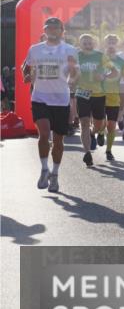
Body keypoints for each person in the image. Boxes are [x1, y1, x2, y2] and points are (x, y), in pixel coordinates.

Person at [22, 17, 78, 193]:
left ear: (62, 31)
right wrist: (27, 75)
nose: (52, 31)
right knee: (44, 134)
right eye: (49, 28)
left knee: (59, 140)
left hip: (61, 99)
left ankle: (54, 173)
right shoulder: (35, 49)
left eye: (55, 28)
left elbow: (76, 72)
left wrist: (72, 81)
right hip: (40, 98)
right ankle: (44, 169)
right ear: (44, 31)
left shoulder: (70, 50)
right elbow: (27, 66)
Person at [74, 33, 118, 167]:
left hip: (98, 94)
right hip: (82, 93)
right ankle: (87, 153)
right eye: (84, 43)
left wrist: (104, 76)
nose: (87, 45)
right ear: (80, 44)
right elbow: (68, 71)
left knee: (99, 125)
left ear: (93, 44)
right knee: (84, 122)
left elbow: (114, 71)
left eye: (89, 43)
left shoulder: (100, 56)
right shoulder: (76, 56)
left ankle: (94, 133)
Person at [101, 34, 124, 162]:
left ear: (117, 44)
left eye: (114, 42)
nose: (111, 44)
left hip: (114, 97)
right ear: (105, 44)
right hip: (99, 96)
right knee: (100, 124)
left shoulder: (122, 62)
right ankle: (100, 133)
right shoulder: (98, 59)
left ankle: (108, 151)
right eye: (109, 42)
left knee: (112, 125)